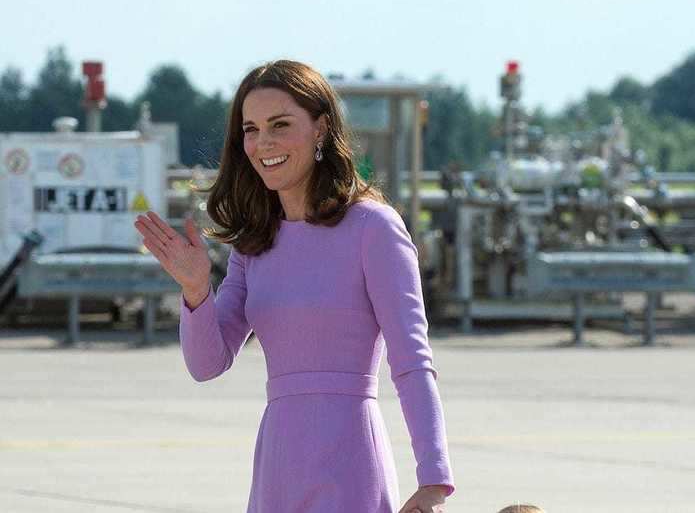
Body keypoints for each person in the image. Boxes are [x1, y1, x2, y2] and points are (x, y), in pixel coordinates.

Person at [133, 59, 455, 512]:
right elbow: (207, 364)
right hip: (276, 467)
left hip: (351, 464)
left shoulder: (373, 227)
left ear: (321, 129)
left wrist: (434, 480)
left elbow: (412, 361)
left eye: (280, 125)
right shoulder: (255, 241)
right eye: (251, 129)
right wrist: (195, 290)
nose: (263, 143)